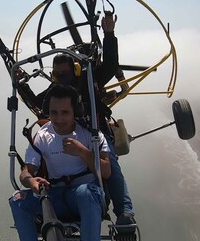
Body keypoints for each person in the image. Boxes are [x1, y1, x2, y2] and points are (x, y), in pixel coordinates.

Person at [17, 13, 136, 226]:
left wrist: (109, 34)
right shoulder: (56, 90)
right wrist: (21, 84)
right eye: (58, 75)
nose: (63, 79)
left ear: (76, 70)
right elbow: (37, 103)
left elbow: (110, 64)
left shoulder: (91, 78)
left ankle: (125, 212)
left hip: (95, 132)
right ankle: (50, 200)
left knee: (112, 166)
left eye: (66, 73)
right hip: (64, 135)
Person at [9, 84, 111, 241]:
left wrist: (83, 152)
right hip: (53, 196)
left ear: (75, 112)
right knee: (17, 200)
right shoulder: (43, 136)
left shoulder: (90, 135)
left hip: (84, 197)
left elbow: (106, 172)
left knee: (86, 192)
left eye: (65, 113)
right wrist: (31, 181)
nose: (58, 119)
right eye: (53, 113)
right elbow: (26, 172)